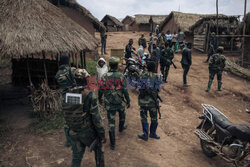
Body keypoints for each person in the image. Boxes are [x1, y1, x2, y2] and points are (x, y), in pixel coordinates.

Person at [55, 55, 106, 167]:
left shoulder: (66, 96)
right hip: (86, 132)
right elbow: (96, 118)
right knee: (99, 149)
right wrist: (102, 134)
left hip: (73, 131)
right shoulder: (89, 95)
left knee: (76, 157)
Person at [98, 57, 130, 150]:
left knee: (111, 124)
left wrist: (100, 99)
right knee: (122, 115)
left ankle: (112, 144)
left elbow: (100, 90)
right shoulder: (121, 76)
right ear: (116, 66)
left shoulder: (104, 76)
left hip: (109, 103)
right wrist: (128, 100)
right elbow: (125, 90)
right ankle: (121, 128)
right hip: (120, 102)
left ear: (109, 65)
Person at [138, 61, 162, 141]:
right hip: (153, 102)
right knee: (154, 118)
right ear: (154, 68)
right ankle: (153, 133)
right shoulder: (157, 77)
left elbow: (139, 87)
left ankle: (145, 135)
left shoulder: (142, 75)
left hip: (143, 101)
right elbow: (159, 89)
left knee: (144, 117)